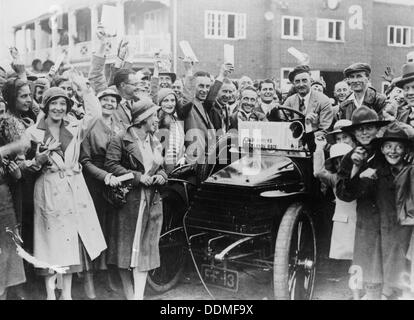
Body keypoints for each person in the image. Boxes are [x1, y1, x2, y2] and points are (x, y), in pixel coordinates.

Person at [24, 75, 106, 300]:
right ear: (46, 106)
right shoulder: (33, 132)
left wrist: (84, 89)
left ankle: (67, 295)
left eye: (63, 104)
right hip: (48, 190)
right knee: (49, 244)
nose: (58, 108)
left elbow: (95, 114)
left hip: (72, 191)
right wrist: (38, 161)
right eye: (54, 103)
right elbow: (23, 165)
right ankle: (51, 295)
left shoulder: (75, 127)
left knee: (70, 244)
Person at [337, 123, 413, 300]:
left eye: (369, 127)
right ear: (354, 133)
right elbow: (345, 193)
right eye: (359, 129)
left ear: (377, 130)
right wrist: (356, 170)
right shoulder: (351, 157)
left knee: (397, 262)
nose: (364, 132)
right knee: (370, 265)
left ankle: (390, 292)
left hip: (395, 220)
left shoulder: (397, 156)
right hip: (369, 220)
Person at [104, 98, 167, 300]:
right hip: (129, 202)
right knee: (125, 251)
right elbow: (111, 166)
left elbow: (163, 168)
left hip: (152, 202)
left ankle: (138, 296)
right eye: (154, 116)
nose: (157, 120)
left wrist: (161, 176)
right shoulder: (121, 139)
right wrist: (139, 177)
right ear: (142, 119)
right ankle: (130, 295)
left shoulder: (155, 140)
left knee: (145, 251)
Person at [79, 88, 123, 298]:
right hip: (94, 183)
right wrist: (104, 176)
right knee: (93, 230)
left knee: (110, 229)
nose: (109, 104)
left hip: (115, 182)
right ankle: (90, 281)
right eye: (104, 100)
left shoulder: (120, 126)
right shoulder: (90, 124)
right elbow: (84, 160)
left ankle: (106, 274)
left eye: (112, 101)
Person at [178, 63, 233, 164]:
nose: (205, 90)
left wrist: (222, 75)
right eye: (201, 86)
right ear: (193, 86)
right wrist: (189, 70)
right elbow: (187, 98)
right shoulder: (188, 106)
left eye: (207, 86)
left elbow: (211, 95)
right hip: (193, 161)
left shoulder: (203, 105)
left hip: (206, 160)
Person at [283, 65, 333, 133]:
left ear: (311, 81)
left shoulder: (324, 101)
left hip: (315, 141)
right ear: (293, 84)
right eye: (297, 81)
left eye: (304, 81)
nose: (301, 85)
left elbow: (325, 130)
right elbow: (282, 122)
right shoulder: (290, 101)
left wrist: (309, 126)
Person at [156, 88, 186, 174]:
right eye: (166, 100)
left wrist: (183, 157)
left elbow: (179, 144)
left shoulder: (177, 120)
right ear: (159, 103)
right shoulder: (156, 120)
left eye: (172, 100)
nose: (170, 104)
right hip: (161, 168)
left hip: (176, 166)